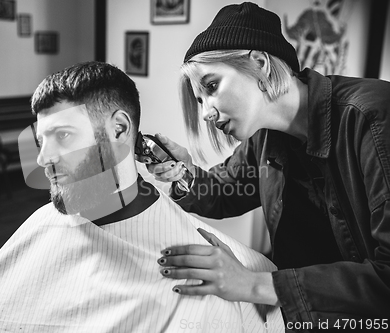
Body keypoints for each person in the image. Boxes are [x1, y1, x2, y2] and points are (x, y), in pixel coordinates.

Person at [0, 61, 284, 332]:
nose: (42, 160)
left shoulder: (220, 265)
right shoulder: (44, 224)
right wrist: (187, 176)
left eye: (64, 136)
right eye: (41, 140)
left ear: (120, 130)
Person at [149, 1, 390, 329]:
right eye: (200, 100)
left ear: (260, 64)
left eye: (211, 86)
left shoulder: (374, 118)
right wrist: (184, 172)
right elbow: (226, 190)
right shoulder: (264, 137)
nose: (205, 113)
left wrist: (250, 284)